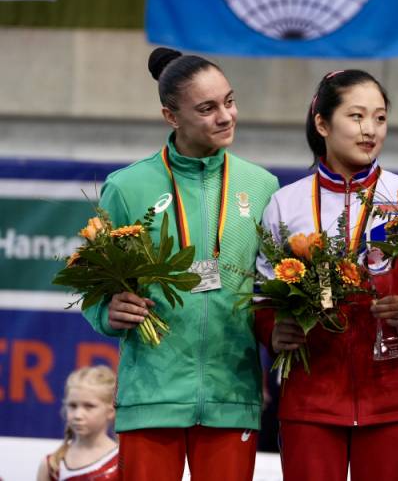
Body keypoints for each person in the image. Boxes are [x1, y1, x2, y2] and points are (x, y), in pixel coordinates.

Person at [81, 47, 279, 480]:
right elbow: (95, 288)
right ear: (171, 116)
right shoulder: (127, 187)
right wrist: (107, 310)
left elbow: (270, 288)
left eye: (229, 101)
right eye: (207, 109)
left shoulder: (261, 186)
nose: (225, 117)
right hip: (151, 393)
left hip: (231, 394)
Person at [254, 69, 398, 481]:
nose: (370, 129)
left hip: (393, 397)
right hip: (311, 397)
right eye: (356, 116)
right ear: (322, 123)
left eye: (380, 118)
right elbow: (263, 299)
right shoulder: (285, 203)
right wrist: (274, 332)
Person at [36, 365, 118, 481]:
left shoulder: (123, 461)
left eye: (89, 406)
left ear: (111, 411)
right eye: (72, 406)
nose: (78, 415)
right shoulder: (52, 465)